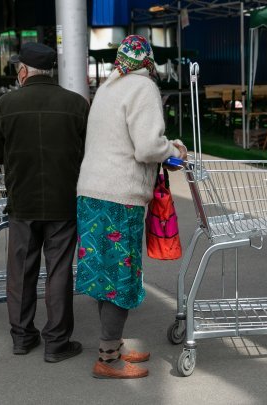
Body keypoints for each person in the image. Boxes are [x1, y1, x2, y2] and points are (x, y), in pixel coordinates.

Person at [75, 35, 186, 379]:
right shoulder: (143, 87)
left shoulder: (108, 88)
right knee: (120, 276)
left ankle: (113, 346)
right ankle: (108, 359)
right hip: (119, 197)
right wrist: (176, 149)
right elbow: (148, 147)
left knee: (103, 273)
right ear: (148, 62)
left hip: (92, 193)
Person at [0, 42, 89, 362]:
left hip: (23, 202)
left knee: (21, 270)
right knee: (58, 270)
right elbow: (87, 151)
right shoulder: (76, 104)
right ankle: (57, 342)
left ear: (24, 71)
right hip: (63, 202)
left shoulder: (5, 104)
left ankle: (22, 337)